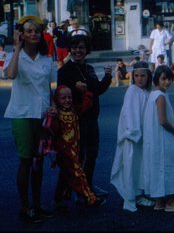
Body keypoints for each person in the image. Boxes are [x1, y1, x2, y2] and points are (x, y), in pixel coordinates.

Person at [3, 15, 57, 223]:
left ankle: (37, 204)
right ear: (22, 34)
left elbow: (48, 87)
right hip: (23, 114)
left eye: (36, 31)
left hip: (42, 115)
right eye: (29, 31)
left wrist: (52, 105)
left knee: (39, 162)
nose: (33, 34)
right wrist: (16, 48)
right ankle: (25, 208)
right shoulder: (13, 55)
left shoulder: (46, 58)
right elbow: (11, 74)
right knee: (26, 161)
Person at [57, 32, 112, 199]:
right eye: (74, 48)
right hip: (74, 120)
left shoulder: (88, 68)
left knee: (92, 154)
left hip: (92, 118)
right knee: (74, 157)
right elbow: (61, 95)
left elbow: (97, 90)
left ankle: (87, 186)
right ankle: (63, 194)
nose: (78, 51)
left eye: (81, 48)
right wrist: (74, 89)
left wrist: (108, 77)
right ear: (70, 50)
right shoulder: (65, 70)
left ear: (87, 50)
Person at [50, 85, 106, 209]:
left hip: (75, 149)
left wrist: (86, 93)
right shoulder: (56, 115)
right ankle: (89, 198)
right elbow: (53, 132)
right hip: (64, 151)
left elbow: (86, 105)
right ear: (57, 99)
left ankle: (59, 197)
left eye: (69, 97)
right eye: (63, 98)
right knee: (78, 173)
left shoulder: (74, 110)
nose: (67, 100)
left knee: (65, 174)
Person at [142, 65, 174, 212]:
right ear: (157, 79)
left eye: (169, 79)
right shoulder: (161, 96)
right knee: (167, 165)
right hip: (162, 138)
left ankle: (159, 201)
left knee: (157, 166)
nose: (167, 82)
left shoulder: (153, 94)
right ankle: (169, 201)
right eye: (163, 79)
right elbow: (163, 121)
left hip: (153, 138)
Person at [110, 61, 155, 212]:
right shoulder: (132, 91)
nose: (140, 79)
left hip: (144, 136)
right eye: (137, 76)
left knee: (140, 165)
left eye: (143, 76)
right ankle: (130, 196)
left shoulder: (148, 92)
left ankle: (138, 193)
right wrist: (132, 132)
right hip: (132, 135)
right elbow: (129, 113)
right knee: (130, 164)